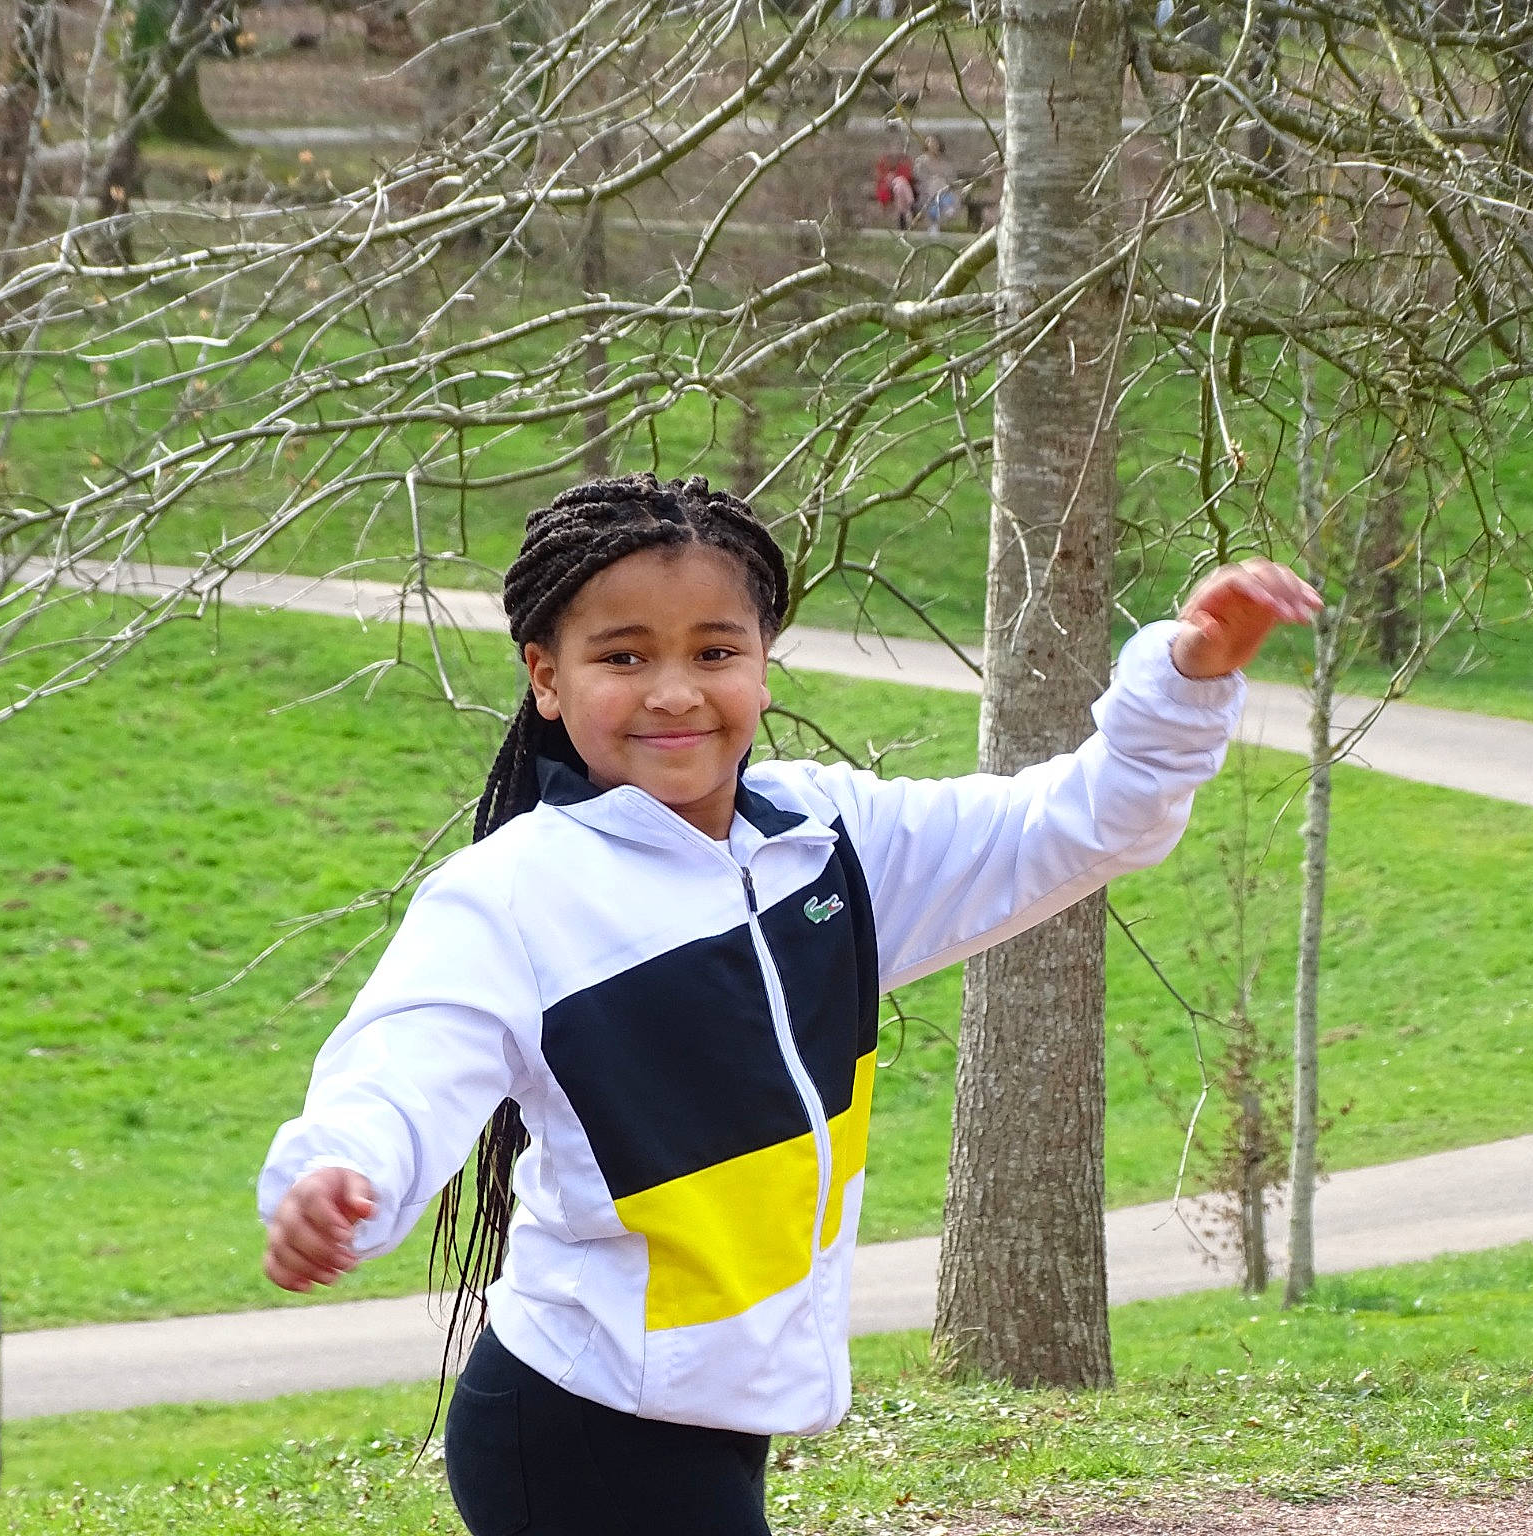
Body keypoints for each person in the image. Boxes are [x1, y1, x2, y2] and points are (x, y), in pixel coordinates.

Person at [257, 473, 1321, 1535]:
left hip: (709, 1417)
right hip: (581, 1425)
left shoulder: (825, 842)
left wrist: (1185, 675)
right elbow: (403, 1064)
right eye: (622, 657)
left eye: (714, 652)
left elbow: (1080, 823)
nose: (673, 692)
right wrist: (336, 1174)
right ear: (546, 677)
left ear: (763, 665)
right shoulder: (511, 897)